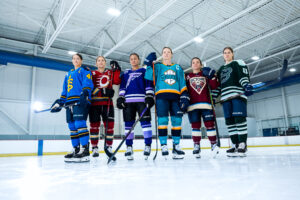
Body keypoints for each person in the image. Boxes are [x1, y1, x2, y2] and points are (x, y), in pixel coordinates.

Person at [144, 47, 189, 159]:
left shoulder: (178, 67)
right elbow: (148, 76)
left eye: (168, 52)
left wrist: (184, 97)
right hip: (161, 97)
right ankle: (164, 145)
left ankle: (176, 146)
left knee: (177, 121)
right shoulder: (158, 66)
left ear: (171, 54)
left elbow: (182, 83)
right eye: (164, 52)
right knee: (163, 121)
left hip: (175, 97)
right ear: (162, 54)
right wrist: (149, 64)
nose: (166, 54)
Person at [51, 53, 93, 162]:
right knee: (72, 126)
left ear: (81, 60)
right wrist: (60, 102)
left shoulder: (84, 70)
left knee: (80, 124)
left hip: (80, 101)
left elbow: (87, 82)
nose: (75, 60)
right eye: (74, 59)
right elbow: (65, 89)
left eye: (77, 58)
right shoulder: (68, 73)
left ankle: (85, 150)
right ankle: (76, 149)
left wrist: (85, 93)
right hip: (69, 103)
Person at [213, 47, 253, 157]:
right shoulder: (220, 69)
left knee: (239, 119)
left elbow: (243, 76)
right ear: (223, 55)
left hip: (237, 95)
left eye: (228, 53)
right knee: (230, 121)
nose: (226, 54)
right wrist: (213, 96)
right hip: (225, 98)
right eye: (224, 53)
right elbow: (219, 85)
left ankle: (242, 144)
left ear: (232, 54)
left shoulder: (237, 63)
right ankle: (235, 144)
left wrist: (246, 85)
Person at [117, 53, 154, 160]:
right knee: (128, 125)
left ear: (138, 60)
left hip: (142, 101)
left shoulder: (144, 71)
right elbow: (123, 86)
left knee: (146, 124)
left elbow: (148, 83)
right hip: (128, 102)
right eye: (131, 59)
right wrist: (120, 97)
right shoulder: (126, 73)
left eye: (135, 59)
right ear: (130, 61)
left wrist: (150, 95)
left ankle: (147, 145)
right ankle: (129, 147)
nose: (133, 60)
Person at [186, 57, 220, 158]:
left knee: (210, 125)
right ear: (191, 65)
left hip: (206, 104)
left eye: (197, 62)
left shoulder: (205, 75)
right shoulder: (187, 76)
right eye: (193, 63)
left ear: (201, 65)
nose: (195, 64)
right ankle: (196, 145)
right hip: (192, 106)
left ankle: (213, 143)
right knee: (195, 126)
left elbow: (214, 86)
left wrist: (212, 77)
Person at [88, 56, 121, 157]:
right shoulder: (92, 73)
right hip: (94, 105)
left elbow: (117, 81)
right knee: (94, 127)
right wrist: (102, 91)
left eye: (103, 60)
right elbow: (88, 86)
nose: (101, 62)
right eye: (99, 61)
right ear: (96, 63)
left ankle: (109, 147)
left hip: (108, 104)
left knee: (110, 127)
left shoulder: (110, 73)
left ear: (105, 63)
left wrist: (118, 70)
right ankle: (94, 148)